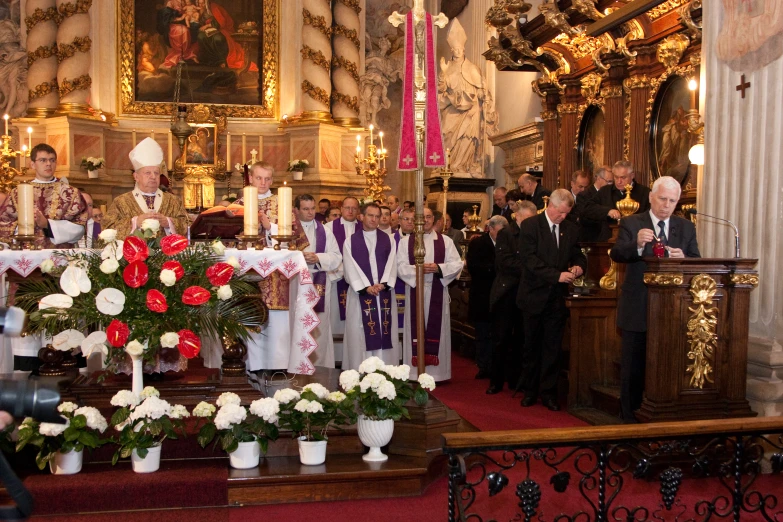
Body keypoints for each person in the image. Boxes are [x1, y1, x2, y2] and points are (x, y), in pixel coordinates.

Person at [610, 176, 700, 423]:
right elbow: (617, 254)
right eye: (662, 199)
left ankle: (663, 418)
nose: (666, 205)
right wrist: (637, 245)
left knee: (667, 367)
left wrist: (684, 259)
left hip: (673, 310)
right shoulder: (632, 222)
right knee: (633, 369)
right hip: (638, 307)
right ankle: (628, 422)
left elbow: (696, 262)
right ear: (651, 197)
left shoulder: (686, 227)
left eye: (672, 200)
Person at [516, 189, 586, 411]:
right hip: (533, 296)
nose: (563, 217)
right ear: (551, 206)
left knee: (552, 348)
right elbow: (529, 260)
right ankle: (529, 391)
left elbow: (578, 254)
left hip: (556, 300)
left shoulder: (571, 229)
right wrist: (556, 275)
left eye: (567, 213)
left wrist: (579, 266)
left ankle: (549, 393)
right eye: (561, 213)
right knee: (530, 347)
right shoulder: (530, 226)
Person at [398, 207, 463, 382]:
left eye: (428, 217)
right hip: (415, 290)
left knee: (437, 328)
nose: (425, 220)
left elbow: (457, 264)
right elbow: (400, 267)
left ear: (433, 219)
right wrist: (418, 269)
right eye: (422, 217)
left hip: (437, 291)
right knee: (415, 327)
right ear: (415, 220)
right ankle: (413, 372)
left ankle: (437, 374)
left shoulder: (446, 241)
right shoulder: (406, 242)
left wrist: (438, 268)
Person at [487, 200, 537, 395]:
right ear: (517, 217)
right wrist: (531, 268)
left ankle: (518, 380)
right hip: (507, 291)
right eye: (527, 219)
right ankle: (496, 380)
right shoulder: (506, 234)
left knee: (522, 339)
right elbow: (505, 261)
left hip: (527, 291)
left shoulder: (534, 233)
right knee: (502, 338)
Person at [342, 203, 400, 370]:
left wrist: (383, 284)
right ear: (362, 216)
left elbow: (392, 264)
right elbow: (349, 266)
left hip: (383, 294)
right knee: (359, 333)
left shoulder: (388, 240)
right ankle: (359, 372)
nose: (375, 219)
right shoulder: (350, 242)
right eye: (371, 215)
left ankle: (385, 372)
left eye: (377, 216)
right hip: (360, 294)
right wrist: (365, 287)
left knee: (384, 330)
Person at [438, 18, 498, 177]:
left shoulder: (472, 68)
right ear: (451, 50)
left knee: (468, 138)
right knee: (447, 134)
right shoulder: (447, 68)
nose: (457, 51)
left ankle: (463, 166)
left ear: (463, 50)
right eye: (454, 49)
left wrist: (481, 94)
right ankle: (449, 165)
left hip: (470, 111)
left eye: (459, 48)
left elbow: (481, 90)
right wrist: (443, 74)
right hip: (451, 109)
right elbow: (440, 89)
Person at [0, 143, 88, 248]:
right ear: (32, 164)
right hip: (26, 255)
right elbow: (3, 225)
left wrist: (47, 225)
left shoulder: (71, 193)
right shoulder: (17, 193)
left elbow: (79, 228)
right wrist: (25, 224)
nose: (48, 164)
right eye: (43, 160)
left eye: (52, 160)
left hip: (59, 256)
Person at [103, 138, 190, 240]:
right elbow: (107, 228)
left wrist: (169, 222)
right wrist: (135, 223)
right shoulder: (121, 201)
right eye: (148, 173)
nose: (153, 176)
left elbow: (187, 226)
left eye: (156, 173)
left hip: (166, 254)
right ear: (136, 177)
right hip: (133, 254)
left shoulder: (173, 201)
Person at [295, 194, 342, 368]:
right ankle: (297, 363)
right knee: (297, 323)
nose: (310, 212)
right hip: (296, 282)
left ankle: (320, 365)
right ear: (297, 210)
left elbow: (336, 257)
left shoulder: (325, 231)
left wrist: (318, 257)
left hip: (318, 280)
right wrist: (299, 257)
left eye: (312, 208)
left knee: (318, 324)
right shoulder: (289, 230)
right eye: (305, 209)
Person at [467, 215, 507, 380]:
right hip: (482, 294)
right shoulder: (478, 243)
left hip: (501, 295)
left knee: (498, 332)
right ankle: (484, 365)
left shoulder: (507, 243)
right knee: (483, 332)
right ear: (490, 229)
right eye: (499, 232)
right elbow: (474, 267)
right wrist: (496, 269)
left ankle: (498, 366)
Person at [325, 197, 361, 358]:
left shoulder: (365, 228)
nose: (350, 211)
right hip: (336, 282)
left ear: (358, 210)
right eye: (347, 207)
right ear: (341, 209)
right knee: (335, 321)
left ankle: (355, 356)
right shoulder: (328, 228)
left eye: (354, 208)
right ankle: (338, 357)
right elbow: (327, 255)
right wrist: (342, 272)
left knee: (356, 321)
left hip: (360, 283)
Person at [581, 160, 651, 242]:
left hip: (635, 241)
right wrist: (607, 211)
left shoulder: (645, 193)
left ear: (632, 175)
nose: (619, 181)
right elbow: (587, 208)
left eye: (623, 177)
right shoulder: (605, 191)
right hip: (608, 240)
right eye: (616, 177)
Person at [577, 165, 612, 242]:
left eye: (612, 182)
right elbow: (585, 218)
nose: (610, 184)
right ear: (599, 179)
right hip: (592, 239)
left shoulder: (611, 194)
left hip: (609, 238)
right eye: (609, 181)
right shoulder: (584, 195)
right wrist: (606, 213)